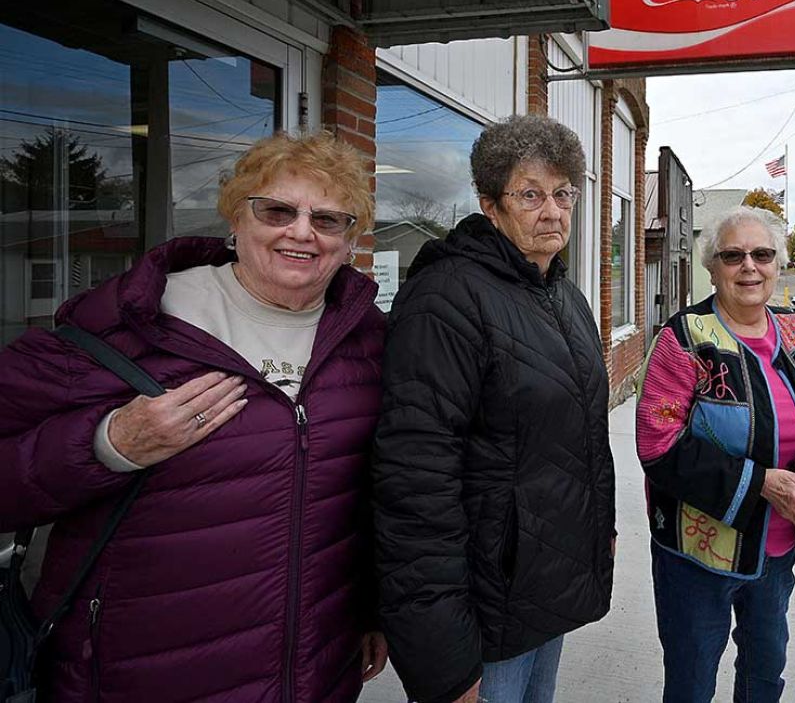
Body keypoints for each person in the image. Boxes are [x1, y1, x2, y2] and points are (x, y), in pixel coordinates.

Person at [0, 133, 389, 702]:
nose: (302, 232)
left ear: (348, 240)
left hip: (314, 671)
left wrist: (375, 607)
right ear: (236, 219)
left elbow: (373, 497)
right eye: (277, 210)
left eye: (329, 220)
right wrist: (108, 444)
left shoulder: (368, 342)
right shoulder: (126, 327)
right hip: (140, 673)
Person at [373, 114, 615, 703]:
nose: (552, 211)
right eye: (530, 194)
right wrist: (443, 652)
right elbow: (415, 480)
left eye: (563, 193)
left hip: (543, 582)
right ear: (490, 204)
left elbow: (580, 435)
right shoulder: (447, 299)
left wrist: (597, 530)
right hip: (483, 602)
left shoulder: (563, 294)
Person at [636, 205, 795, 703]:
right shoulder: (683, 339)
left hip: (776, 549)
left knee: (765, 673)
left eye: (762, 254)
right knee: (691, 681)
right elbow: (656, 445)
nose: (749, 265)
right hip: (697, 554)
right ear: (713, 267)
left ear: (778, 263)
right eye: (733, 255)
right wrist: (760, 484)